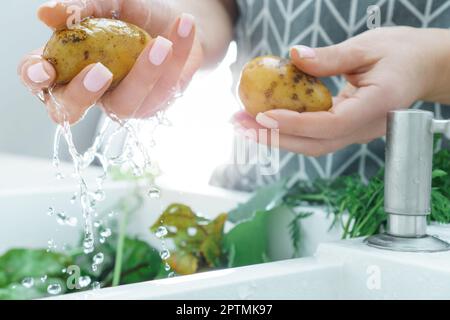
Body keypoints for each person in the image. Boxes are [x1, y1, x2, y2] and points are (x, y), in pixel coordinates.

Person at [18, 0, 450, 191]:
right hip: (254, 192)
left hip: (436, 214)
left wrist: (431, 64)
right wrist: (183, 29)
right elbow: (221, 5)